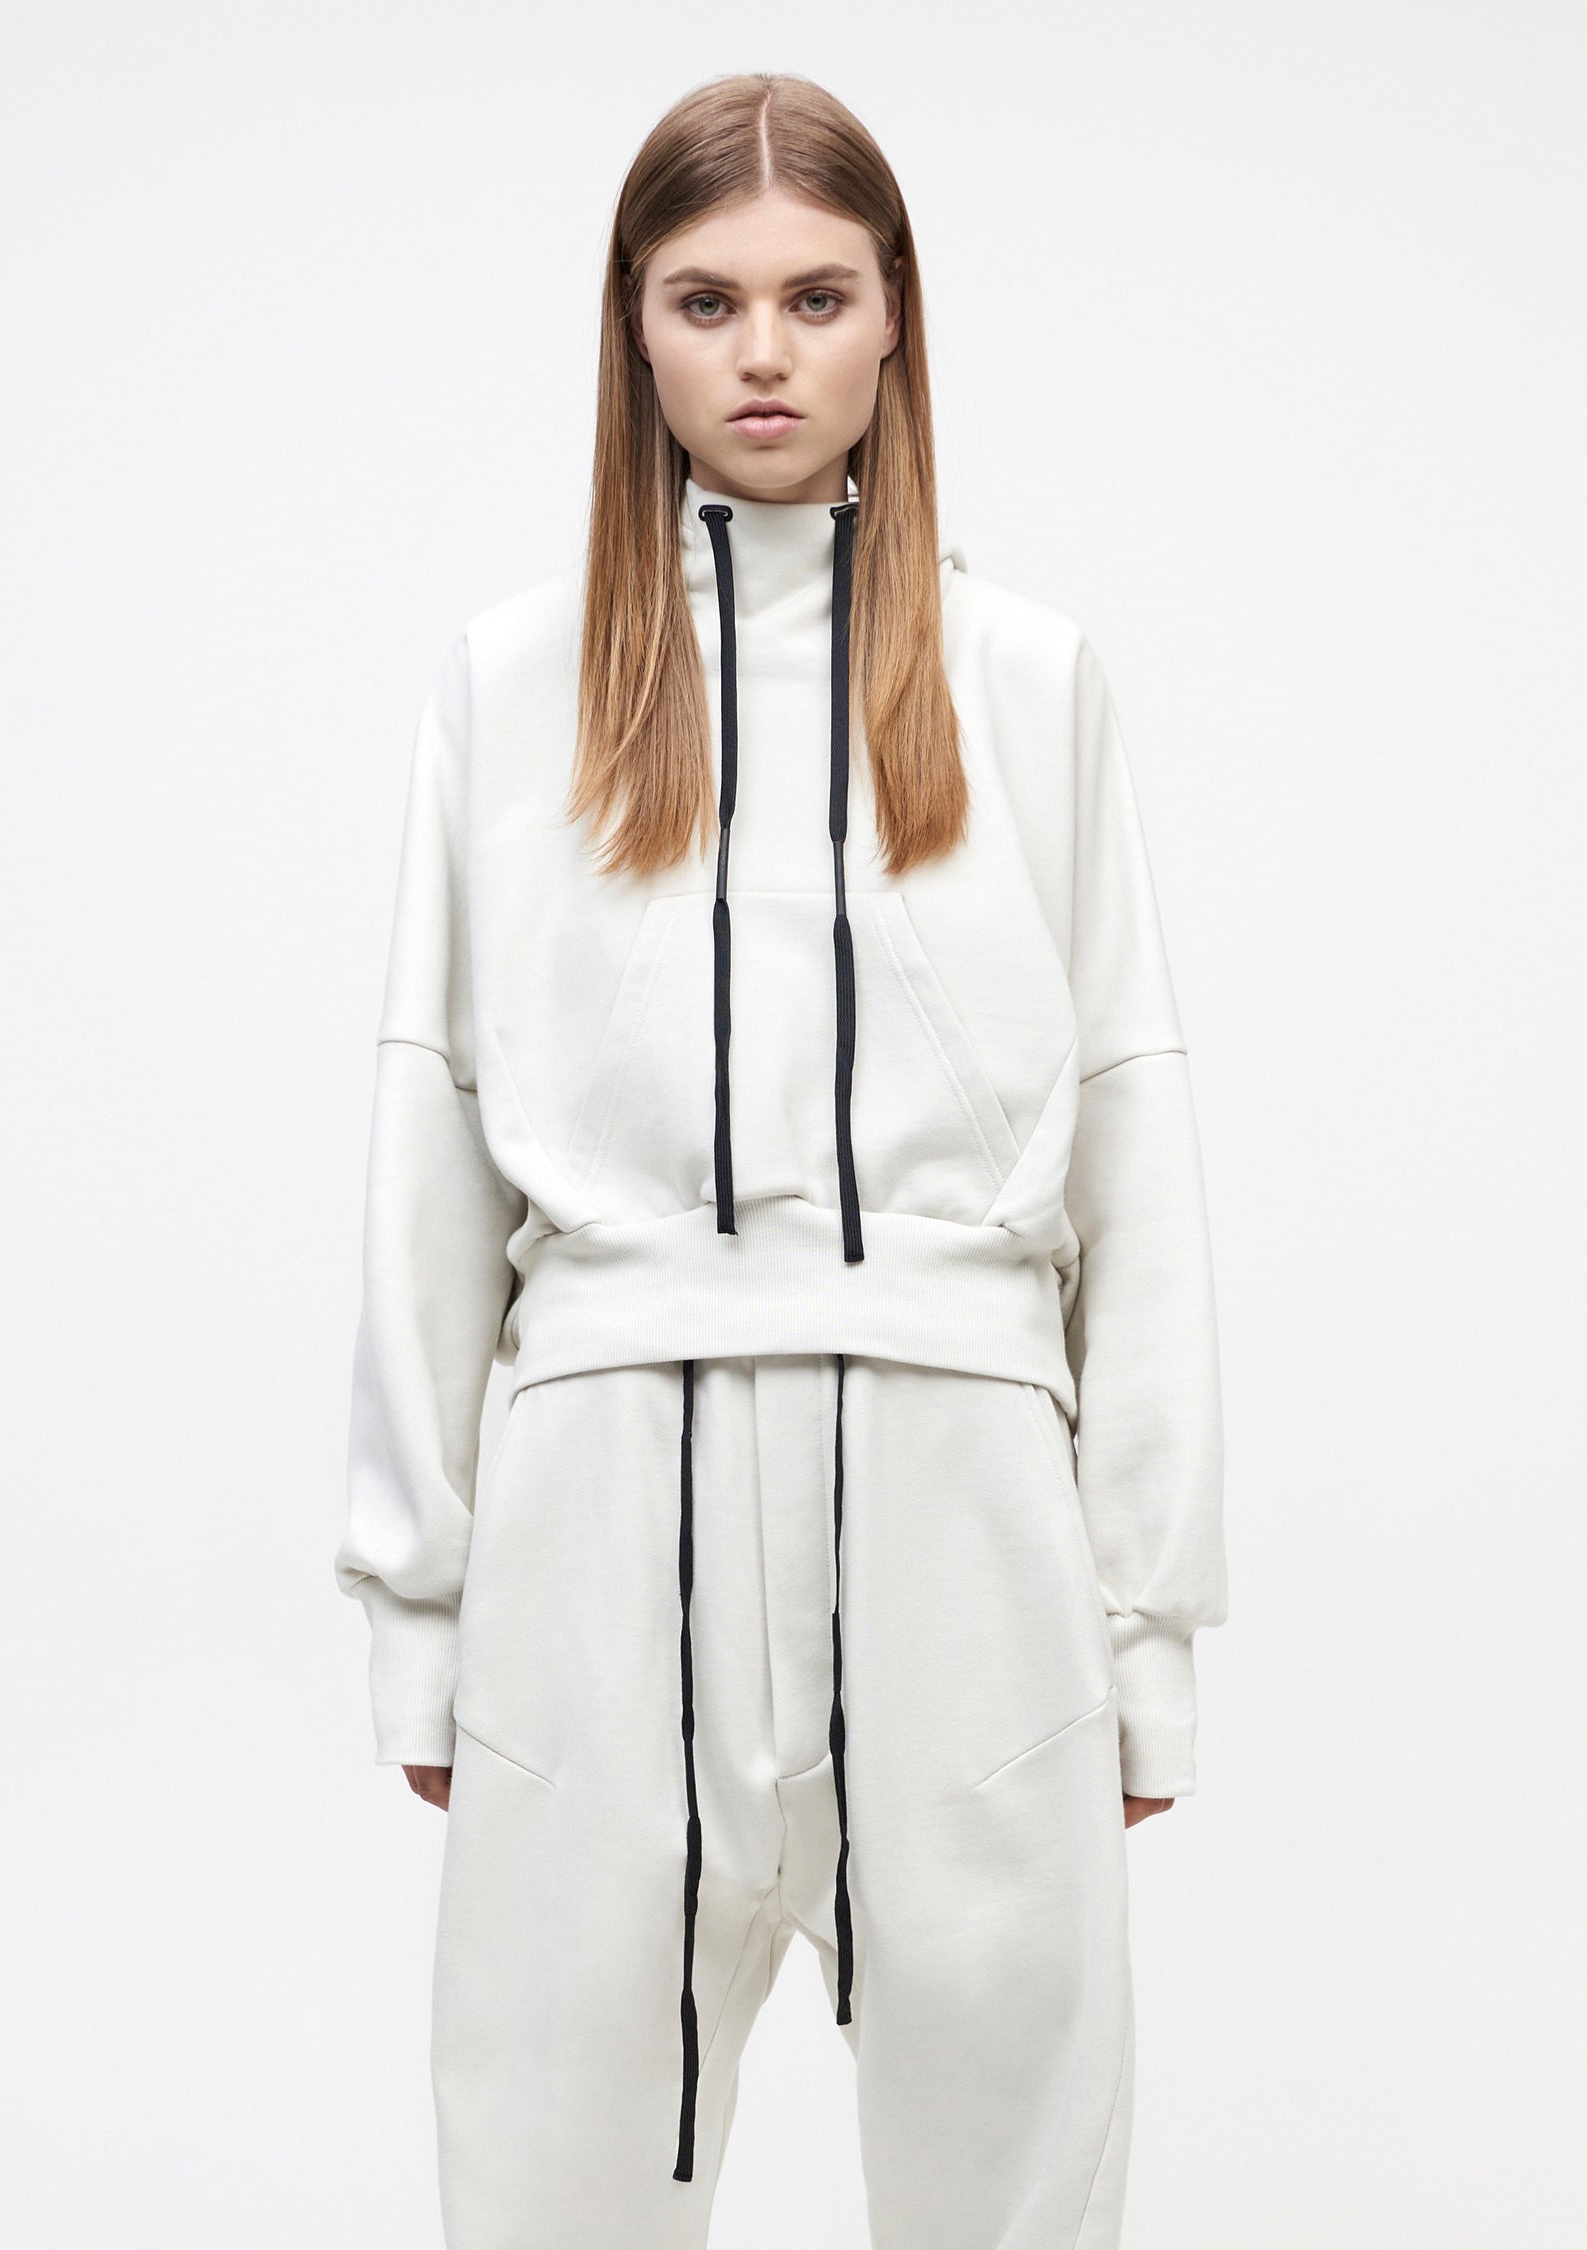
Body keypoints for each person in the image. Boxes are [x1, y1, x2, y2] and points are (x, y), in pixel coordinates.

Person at [336, 70, 1228, 2248]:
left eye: (816, 298)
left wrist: (1146, 1628)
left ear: (894, 315)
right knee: (553, 2173)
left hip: (966, 1522)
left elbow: (1132, 1145)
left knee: (1014, 2174)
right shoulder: (512, 689)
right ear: (632, 326)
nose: (763, 354)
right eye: (706, 299)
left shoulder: (1028, 687)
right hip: (598, 1525)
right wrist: (418, 1605)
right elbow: (432, 1148)